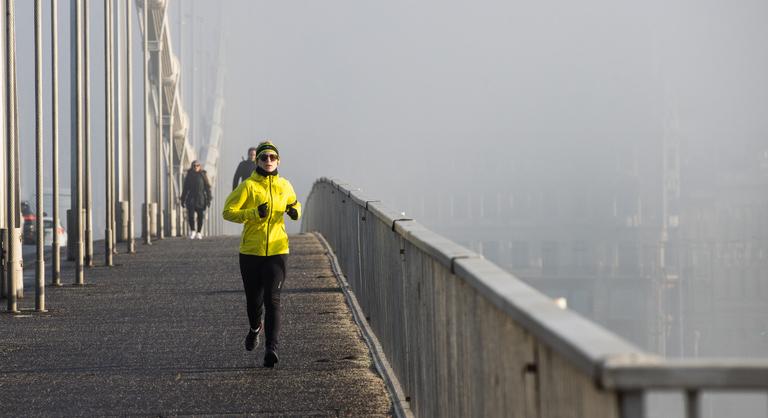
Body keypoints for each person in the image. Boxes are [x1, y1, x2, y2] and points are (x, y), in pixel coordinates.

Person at [222, 141, 301, 368]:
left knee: (273, 300)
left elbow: (295, 204)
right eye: (264, 157)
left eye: (272, 158)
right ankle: (255, 328)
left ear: (278, 161)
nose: (268, 161)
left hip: (277, 251)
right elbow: (228, 211)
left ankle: (271, 349)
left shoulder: (285, 185)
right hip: (251, 252)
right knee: (254, 302)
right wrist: (254, 213)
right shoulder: (248, 186)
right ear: (257, 161)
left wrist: (295, 211)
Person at [181, 160, 212, 240]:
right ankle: (192, 231)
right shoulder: (189, 175)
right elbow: (185, 188)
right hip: (191, 198)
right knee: (190, 215)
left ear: (200, 166)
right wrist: (182, 199)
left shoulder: (203, 175)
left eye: (197, 165)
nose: (196, 167)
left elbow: (207, 188)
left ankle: (199, 232)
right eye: (194, 166)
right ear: (192, 166)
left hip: (201, 198)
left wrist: (209, 199)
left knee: (200, 216)